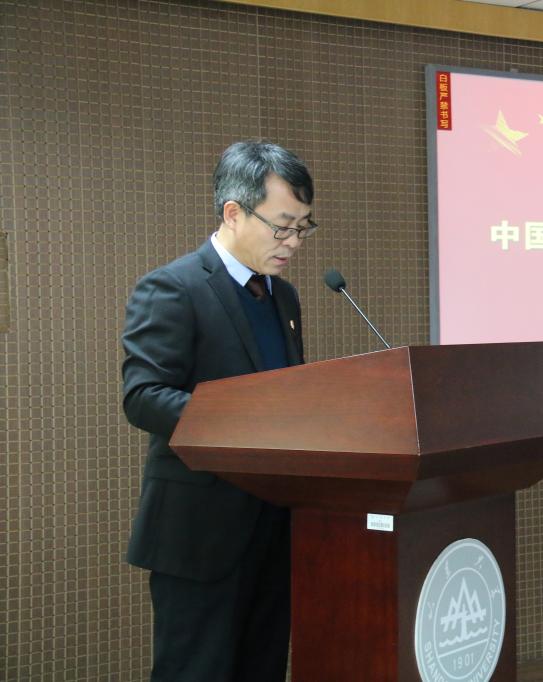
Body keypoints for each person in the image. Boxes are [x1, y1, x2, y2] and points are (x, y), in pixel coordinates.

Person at [121, 140, 317, 681]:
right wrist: (248, 420)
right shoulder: (174, 288)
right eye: (282, 226)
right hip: (201, 532)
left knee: (263, 667)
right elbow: (143, 396)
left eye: (303, 228)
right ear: (233, 212)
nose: (292, 242)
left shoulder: (283, 298)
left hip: (275, 523)